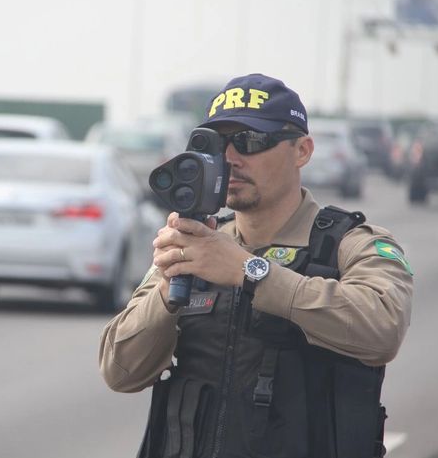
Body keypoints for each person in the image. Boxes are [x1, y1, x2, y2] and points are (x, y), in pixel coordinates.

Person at [98, 73, 413, 458]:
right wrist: (167, 288)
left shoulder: (351, 244)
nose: (231, 158)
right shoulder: (197, 243)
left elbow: (382, 329)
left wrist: (251, 273)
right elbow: (120, 371)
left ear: (302, 151)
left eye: (250, 141)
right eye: (219, 143)